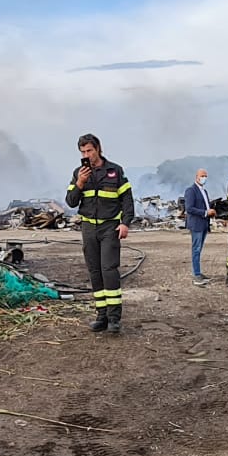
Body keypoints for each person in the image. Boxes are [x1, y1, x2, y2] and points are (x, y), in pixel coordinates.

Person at [64, 134, 131, 334]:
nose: (87, 155)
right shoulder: (79, 173)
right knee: (95, 271)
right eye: (83, 152)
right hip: (88, 228)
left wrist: (125, 223)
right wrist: (80, 183)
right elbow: (71, 201)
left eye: (89, 151)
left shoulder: (114, 171)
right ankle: (101, 316)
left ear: (98, 149)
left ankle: (114, 319)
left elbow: (127, 200)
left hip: (110, 227)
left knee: (109, 269)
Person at [184, 168, 216, 285]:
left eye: (205, 176)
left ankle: (198, 272)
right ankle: (196, 275)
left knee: (199, 249)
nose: (204, 178)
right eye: (202, 176)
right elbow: (189, 208)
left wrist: (210, 213)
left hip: (204, 224)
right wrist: (205, 212)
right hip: (196, 224)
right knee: (196, 249)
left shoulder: (204, 191)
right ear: (196, 177)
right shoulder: (191, 191)